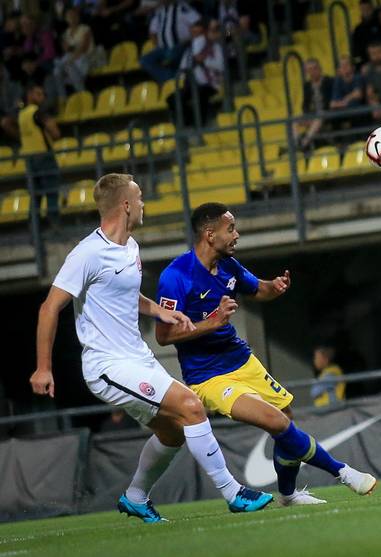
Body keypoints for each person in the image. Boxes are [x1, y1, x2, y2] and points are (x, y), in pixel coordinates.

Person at [30, 174, 273, 523]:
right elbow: (49, 308)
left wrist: (159, 310)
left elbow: (126, 293)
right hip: (107, 365)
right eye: (140, 197)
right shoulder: (87, 254)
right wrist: (43, 367)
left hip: (137, 357)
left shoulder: (130, 247)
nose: (144, 204)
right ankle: (233, 493)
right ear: (126, 205)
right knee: (191, 407)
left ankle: (135, 496)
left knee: (173, 431)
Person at [155, 202, 377, 507]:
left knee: (286, 419)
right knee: (276, 421)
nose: (237, 234)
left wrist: (275, 286)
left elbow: (258, 289)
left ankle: (288, 495)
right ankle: (343, 472)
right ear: (209, 234)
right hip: (208, 376)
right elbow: (163, 335)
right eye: (230, 228)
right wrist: (212, 323)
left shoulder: (229, 265)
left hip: (242, 360)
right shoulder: (175, 276)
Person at [167, 19, 224, 128]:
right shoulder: (189, 51)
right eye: (193, 33)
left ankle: (201, 125)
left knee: (200, 95)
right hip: (192, 85)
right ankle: (188, 123)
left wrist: (204, 61)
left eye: (198, 33)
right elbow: (182, 69)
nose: (196, 36)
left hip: (209, 84)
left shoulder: (215, 47)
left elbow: (221, 66)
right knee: (172, 98)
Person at [18, 84, 60, 222]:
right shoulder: (37, 112)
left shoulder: (22, 114)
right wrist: (54, 131)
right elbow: (54, 132)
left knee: (35, 194)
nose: (42, 97)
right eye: (39, 94)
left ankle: (34, 225)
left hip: (29, 159)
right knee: (51, 191)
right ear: (30, 94)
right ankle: (53, 223)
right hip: (43, 155)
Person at [140, 0, 201, 83]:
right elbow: (152, 32)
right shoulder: (159, 11)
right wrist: (158, 45)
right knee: (144, 60)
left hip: (181, 45)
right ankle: (171, 79)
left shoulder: (183, 8)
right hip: (163, 48)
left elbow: (198, 24)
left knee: (171, 55)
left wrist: (189, 39)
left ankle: (174, 81)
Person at [53, 7, 97, 101]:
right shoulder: (66, 33)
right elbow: (66, 49)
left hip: (86, 58)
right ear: (66, 19)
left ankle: (82, 94)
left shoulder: (85, 29)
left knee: (68, 64)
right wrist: (72, 51)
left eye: (74, 15)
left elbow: (84, 48)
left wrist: (73, 52)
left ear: (78, 17)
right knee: (57, 71)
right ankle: (63, 98)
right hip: (71, 60)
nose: (72, 18)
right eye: (69, 16)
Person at [294, 57, 334, 149]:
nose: (312, 72)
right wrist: (308, 115)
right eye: (309, 70)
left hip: (327, 113)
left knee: (319, 117)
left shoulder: (329, 81)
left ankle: (304, 144)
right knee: (294, 121)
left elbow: (331, 101)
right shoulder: (307, 86)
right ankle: (296, 143)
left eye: (314, 69)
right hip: (313, 115)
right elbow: (305, 105)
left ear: (319, 69)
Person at [330, 55, 364, 129]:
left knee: (356, 113)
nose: (344, 67)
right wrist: (345, 101)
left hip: (357, 111)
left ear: (353, 67)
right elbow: (332, 104)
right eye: (341, 66)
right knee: (333, 116)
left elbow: (358, 94)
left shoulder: (357, 77)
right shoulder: (338, 80)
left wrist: (345, 99)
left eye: (346, 65)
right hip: (343, 112)